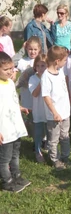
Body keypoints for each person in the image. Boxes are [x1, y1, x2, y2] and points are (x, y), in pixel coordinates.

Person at [0, 51, 31, 193]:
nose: (10, 72)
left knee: (15, 153)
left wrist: (20, 107)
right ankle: (6, 181)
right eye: (6, 69)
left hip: (15, 126)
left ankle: (16, 175)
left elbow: (11, 100)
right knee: (4, 158)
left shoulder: (10, 83)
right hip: (4, 128)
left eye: (11, 68)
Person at [41, 46, 70, 170]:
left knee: (65, 136)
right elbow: (46, 96)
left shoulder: (60, 71)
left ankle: (65, 156)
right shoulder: (46, 76)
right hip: (54, 115)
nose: (66, 62)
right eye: (64, 60)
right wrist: (54, 113)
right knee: (53, 139)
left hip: (65, 113)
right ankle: (55, 159)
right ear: (57, 61)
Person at [28, 54, 48, 163]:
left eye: (43, 66)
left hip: (48, 111)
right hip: (38, 112)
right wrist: (41, 81)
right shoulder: (32, 79)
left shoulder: (50, 77)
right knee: (38, 133)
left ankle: (50, 150)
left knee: (50, 132)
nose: (41, 68)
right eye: (38, 66)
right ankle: (38, 151)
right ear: (35, 67)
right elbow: (35, 94)